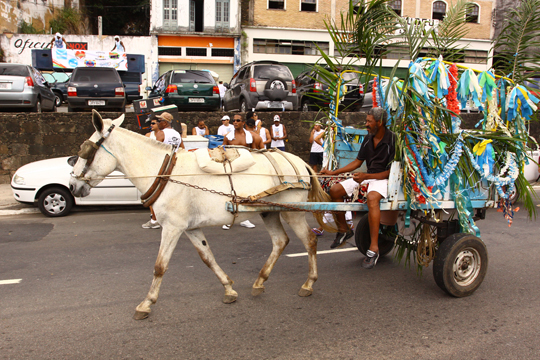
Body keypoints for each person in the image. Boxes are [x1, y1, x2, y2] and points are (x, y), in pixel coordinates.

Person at [320, 107, 395, 269]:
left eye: (369, 121)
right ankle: (344, 230)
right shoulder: (368, 139)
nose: (366, 124)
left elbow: (391, 172)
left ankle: (374, 248)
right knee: (335, 190)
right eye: (366, 121)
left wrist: (366, 177)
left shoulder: (392, 140)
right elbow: (357, 162)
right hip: (368, 177)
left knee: (372, 198)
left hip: (384, 179)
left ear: (380, 123)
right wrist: (334, 172)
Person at [142, 112, 184, 229]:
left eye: (159, 121)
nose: (158, 123)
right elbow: (182, 149)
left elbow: (153, 151)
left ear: (165, 122)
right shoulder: (177, 133)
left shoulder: (161, 133)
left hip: (160, 167)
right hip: (174, 166)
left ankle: (154, 220)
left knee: (153, 194)